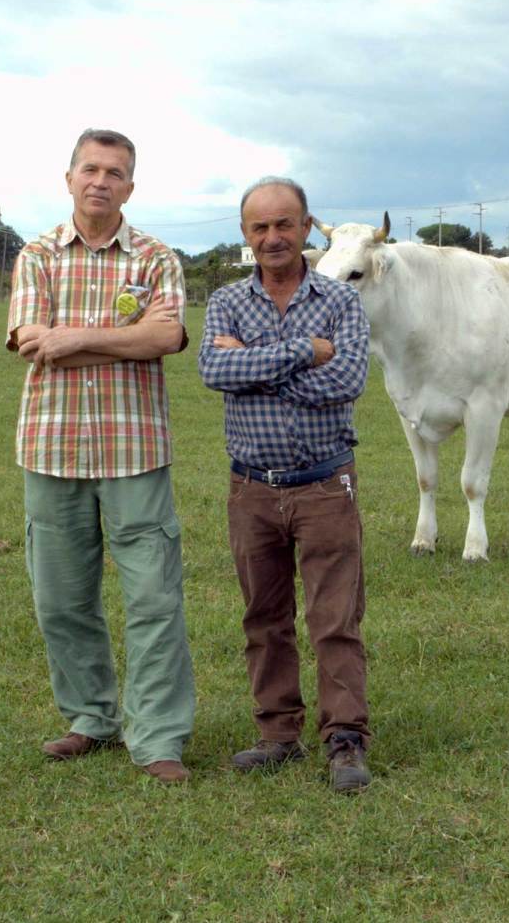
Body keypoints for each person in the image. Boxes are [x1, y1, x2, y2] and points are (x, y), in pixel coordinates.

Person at [7, 128, 195, 784]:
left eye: (115, 172)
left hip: (134, 450)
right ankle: (90, 718)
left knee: (154, 599)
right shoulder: (36, 256)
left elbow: (167, 335)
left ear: (130, 187)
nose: (101, 181)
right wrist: (123, 338)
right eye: (90, 169)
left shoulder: (155, 258)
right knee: (61, 600)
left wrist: (74, 339)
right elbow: (31, 340)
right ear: (69, 179)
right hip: (50, 447)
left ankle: (159, 738)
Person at [197, 176, 373, 793]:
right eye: (259, 227)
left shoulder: (342, 302)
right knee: (263, 617)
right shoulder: (225, 301)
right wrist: (305, 352)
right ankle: (278, 734)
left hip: (325, 485)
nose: (272, 237)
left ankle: (344, 739)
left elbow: (347, 380)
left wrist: (258, 363)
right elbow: (214, 368)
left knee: (335, 618)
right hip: (252, 490)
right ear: (245, 235)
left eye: (284, 224)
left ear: (305, 227)